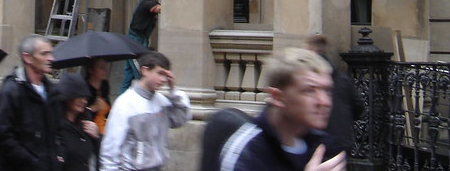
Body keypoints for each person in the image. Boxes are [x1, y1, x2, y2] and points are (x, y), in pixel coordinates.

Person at [216, 47, 346, 171]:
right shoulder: (247, 151)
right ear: (277, 97)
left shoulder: (324, 146)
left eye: (327, 91)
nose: (324, 102)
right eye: (309, 91)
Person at [100, 51, 191, 171]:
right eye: (159, 73)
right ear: (145, 70)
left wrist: (174, 90)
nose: (163, 79)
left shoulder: (161, 101)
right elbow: (111, 148)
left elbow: (181, 119)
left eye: (166, 75)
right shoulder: (125, 103)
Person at [0, 34, 60, 171]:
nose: (51, 58)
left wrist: (59, 156)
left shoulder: (52, 91)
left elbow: (59, 130)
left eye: (51, 53)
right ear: (28, 58)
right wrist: (32, 162)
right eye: (44, 54)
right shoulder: (11, 91)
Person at [303, 35, 364, 154]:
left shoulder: (308, 78)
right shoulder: (342, 78)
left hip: (316, 142)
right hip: (341, 140)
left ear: (312, 51)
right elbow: (358, 105)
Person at [119, 0, 162, 94]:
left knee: (128, 77)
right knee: (142, 74)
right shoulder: (147, 4)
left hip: (138, 41)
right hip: (135, 43)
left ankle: (120, 100)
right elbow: (160, 9)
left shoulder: (148, 3)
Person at [54, 73, 100, 171]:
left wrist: (96, 138)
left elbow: (94, 158)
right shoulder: (54, 123)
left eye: (86, 98)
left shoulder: (87, 124)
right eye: (79, 96)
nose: (84, 101)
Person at [85, 57, 111, 133]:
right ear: (91, 70)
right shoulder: (84, 88)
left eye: (106, 67)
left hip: (104, 131)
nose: (105, 70)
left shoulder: (104, 86)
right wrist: (93, 108)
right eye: (101, 68)